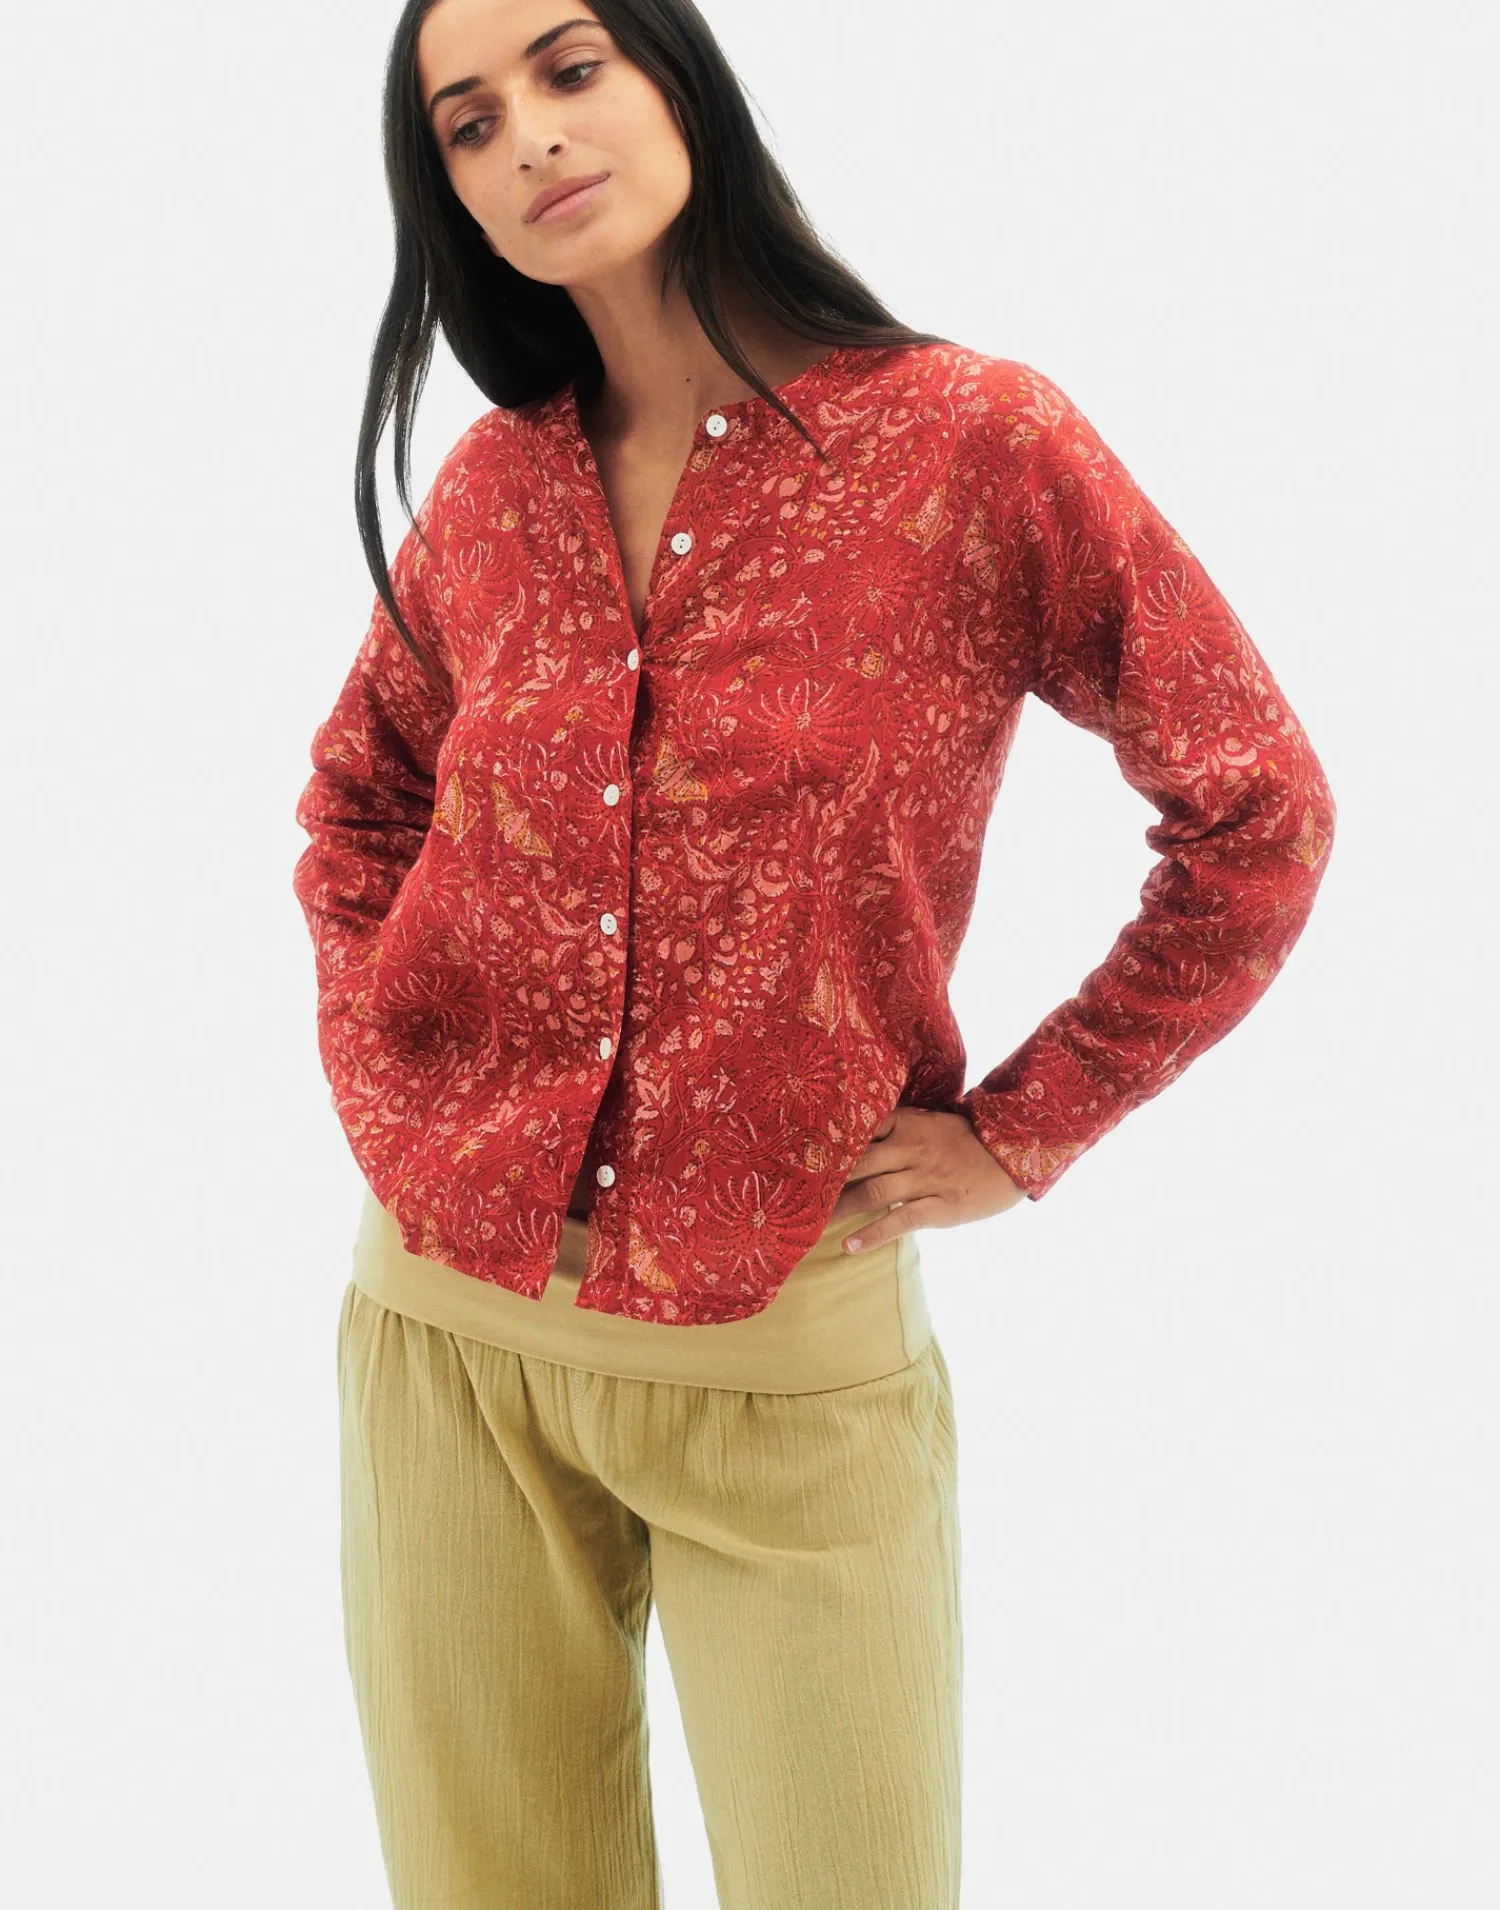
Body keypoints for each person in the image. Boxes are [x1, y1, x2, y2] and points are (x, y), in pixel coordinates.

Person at [291, 2, 1339, 1904]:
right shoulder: (497, 492)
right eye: (467, 122)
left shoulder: (969, 446)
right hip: (445, 1339)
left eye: (569, 67)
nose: (528, 136)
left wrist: (1025, 1126)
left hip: (790, 1345)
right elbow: (356, 807)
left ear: (675, 77)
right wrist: (398, 1097)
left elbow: (1258, 808)